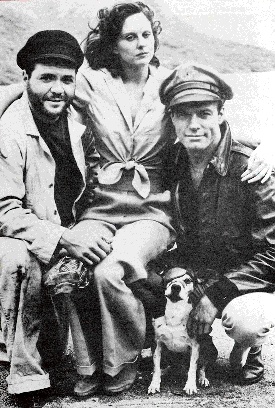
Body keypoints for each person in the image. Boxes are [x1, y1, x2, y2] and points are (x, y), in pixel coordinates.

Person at [0, 2, 272, 397]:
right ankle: (87, 365)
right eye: (130, 36)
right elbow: (36, 88)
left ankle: (122, 364)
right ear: (113, 44)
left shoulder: (169, 82)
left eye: (147, 34)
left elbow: (209, 118)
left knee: (112, 268)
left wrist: (267, 147)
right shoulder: (91, 83)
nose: (141, 43)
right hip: (101, 203)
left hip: (152, 207)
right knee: (74, 261)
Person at [0, 30, 110, 395]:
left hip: (70, 225)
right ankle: (26, 375)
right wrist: (63, 238)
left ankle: (94, 363)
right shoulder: (11, 129)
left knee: (106, 256)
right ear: (26, 79)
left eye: (66, 79)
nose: (57, 89)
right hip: (21, 235)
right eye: (46, 77)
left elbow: (96, 175)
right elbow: (5, 209)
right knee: (21, 257)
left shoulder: (81, 120)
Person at [160, 62, 275, 386]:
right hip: (196, 270)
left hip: (246, 279)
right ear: (172, 119)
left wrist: (213, 297)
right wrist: (170, 270)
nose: (193, 124)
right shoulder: (173, 161)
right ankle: (184, 347)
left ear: (221, 113)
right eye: (183, 114)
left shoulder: (251, 168)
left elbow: (273, 253)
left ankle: (247, 350)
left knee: (246, 323)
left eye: (204, 113)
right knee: (139, 282)